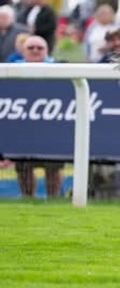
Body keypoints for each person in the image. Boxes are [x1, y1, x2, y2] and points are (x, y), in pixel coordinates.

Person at [12, 36, 62, 197]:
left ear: (47, 51)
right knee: (23, 166)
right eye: (31, 48)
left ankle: (53, 199)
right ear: (23, 51)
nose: (35, 51)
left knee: (53, 166)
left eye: (39, 48)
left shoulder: (59, 67)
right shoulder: (11, 69)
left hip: (52, 126)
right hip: (23, 126)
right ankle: (27, 198)